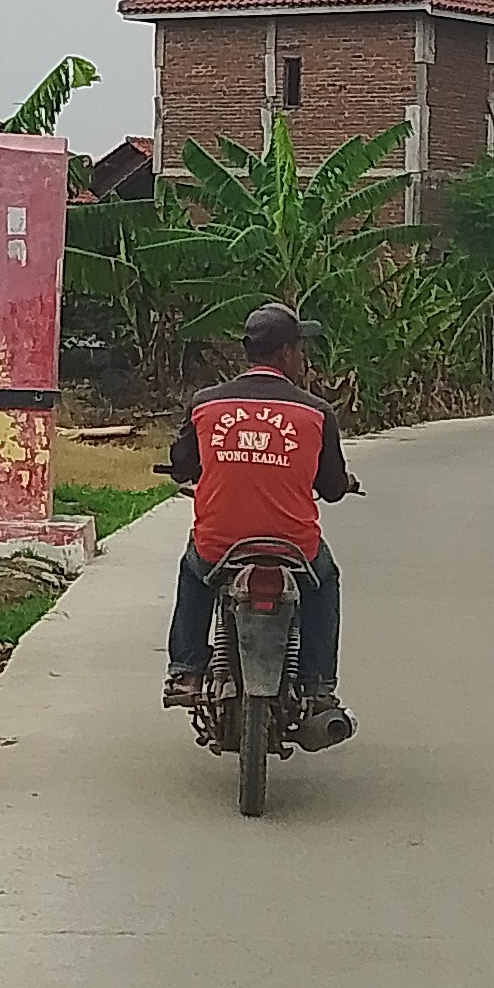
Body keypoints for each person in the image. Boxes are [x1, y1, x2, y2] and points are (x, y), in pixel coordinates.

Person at [164, 302, 357, 749]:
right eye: (300, 350)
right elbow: (329, 486)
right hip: (295, 548)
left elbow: (182, 464)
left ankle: (188, 671)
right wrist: (344, 482)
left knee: (194, 573)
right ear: (286, 354)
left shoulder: (206, 404)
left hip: (220, 545)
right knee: (324, 580)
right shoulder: (316, 412)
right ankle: (317, 684)